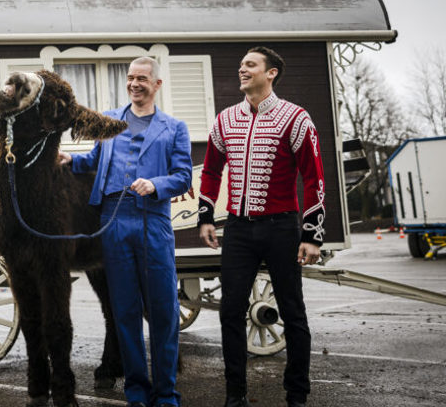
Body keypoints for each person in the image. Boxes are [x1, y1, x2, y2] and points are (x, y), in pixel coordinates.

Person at [58, 56, 192, 407]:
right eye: (131, 78)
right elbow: (94, 160)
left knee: (162, 310)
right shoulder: (111, 120)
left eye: (142, 78)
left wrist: (157, 183)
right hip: (112, 221)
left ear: (156, 84)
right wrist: (70, 160)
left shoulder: (174, 127)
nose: (134, 83)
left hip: (153, 219)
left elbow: (183, 176)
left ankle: (166, 394)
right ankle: (136, 391)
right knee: (125, 311)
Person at [197, 46, 325, 407]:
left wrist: (311, 234)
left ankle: (297, 395)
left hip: (282, 228)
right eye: (240, 65)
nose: (242, 70)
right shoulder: (225, 120)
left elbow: (313, 176)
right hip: (238, 229)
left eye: (250, 65)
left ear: (271, 73)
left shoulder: (295, 118)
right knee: (230, 312)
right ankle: (235, 395)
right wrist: (206, 216)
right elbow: (210, 170)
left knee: (292, 312)